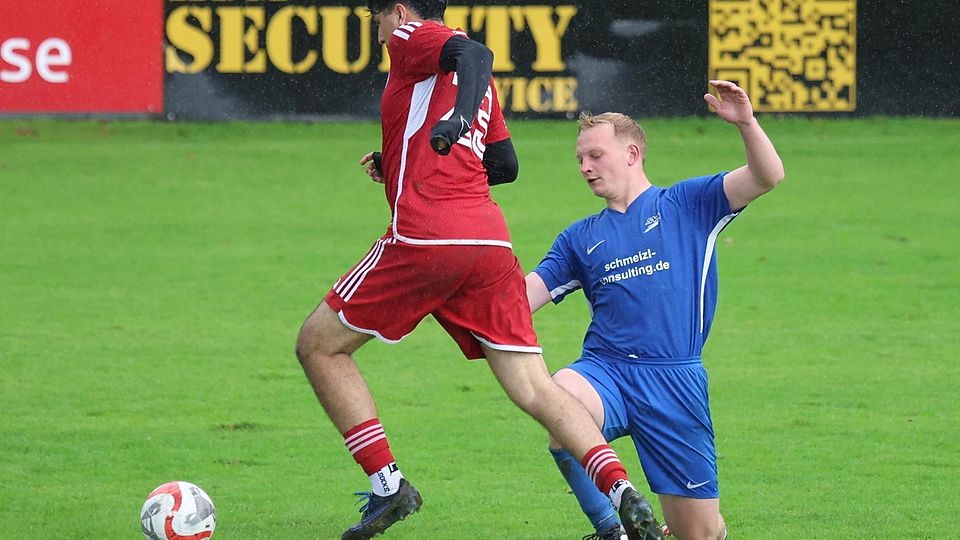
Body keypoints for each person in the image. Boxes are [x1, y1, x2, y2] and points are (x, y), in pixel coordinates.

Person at [295, 1, 663, 539]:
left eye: (378, 20)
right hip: (489, 243)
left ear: (399, 12)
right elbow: (504, 165)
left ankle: (388, 485)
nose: (380, 34)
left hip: (427, 235)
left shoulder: (416, 38)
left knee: (319, 345)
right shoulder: (473, 82)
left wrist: (455, 122)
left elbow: (476, 54)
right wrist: (401, 160)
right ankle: (621, 490)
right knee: (534, 387)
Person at [526, 80, 785, 540]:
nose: (585, 167)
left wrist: (746, 124)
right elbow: (521, 299)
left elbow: (767, 177)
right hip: (607, 370)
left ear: (632, 154)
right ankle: (612, 529)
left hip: (674, 381)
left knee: (698, 533)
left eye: (595, 155)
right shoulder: (579, 237)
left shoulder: (689, 203)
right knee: (561, 398)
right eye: (580, 159)